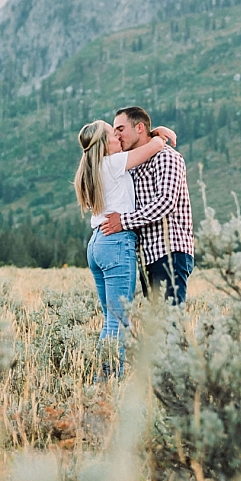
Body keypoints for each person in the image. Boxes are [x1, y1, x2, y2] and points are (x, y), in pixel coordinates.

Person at [74, 119, 170, 364]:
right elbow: (154, 147)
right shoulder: (114, 162)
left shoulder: (95, 167)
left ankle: (102, 379)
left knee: (110, 319)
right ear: (105, 143)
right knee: (119, 321)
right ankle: (107, 381)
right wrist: (160, 134)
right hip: (116, 242)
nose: (118, 137)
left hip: (97, 244)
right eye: (112, 134)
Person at [100, 106, 195, 304]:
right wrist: (156, 135)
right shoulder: (134, 163)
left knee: (170, 323)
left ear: (140, 128)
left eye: (120, 129)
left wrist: (123, 222)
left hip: (169, 252)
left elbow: (166, 202)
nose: (117, 135)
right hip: (147, 256)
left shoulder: (166, 157)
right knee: (157, 326)